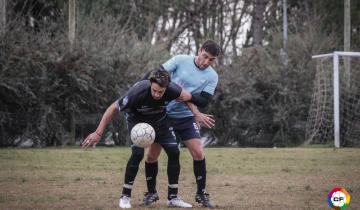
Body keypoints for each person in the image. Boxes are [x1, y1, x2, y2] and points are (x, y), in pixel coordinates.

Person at [81, 69, 194, 209]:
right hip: (137, 121)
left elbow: (187, 97)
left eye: (161, 92)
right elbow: (112, 108)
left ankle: (173, 198)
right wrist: (98, 133)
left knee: (174, 152)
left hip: (160, 120)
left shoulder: (173, 89)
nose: (157, 94)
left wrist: (197, 113)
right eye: (154, 91)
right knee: (137, 154)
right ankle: (125, 196)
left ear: (167, 87)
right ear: (150, 84)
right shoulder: (138, 91)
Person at [144, 40, 220, 208]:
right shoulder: (180, 60)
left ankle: (201, 194)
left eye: (211, 60)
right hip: (164, 115)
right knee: (151, 156)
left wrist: (188, 96)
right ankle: (151, 193)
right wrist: (141, 89)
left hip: (186, 118)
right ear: (199, 50)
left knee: (199, 152)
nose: (206, 62)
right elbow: (157, 74)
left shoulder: (212, 76)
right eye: (205, 56)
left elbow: (204, 101)